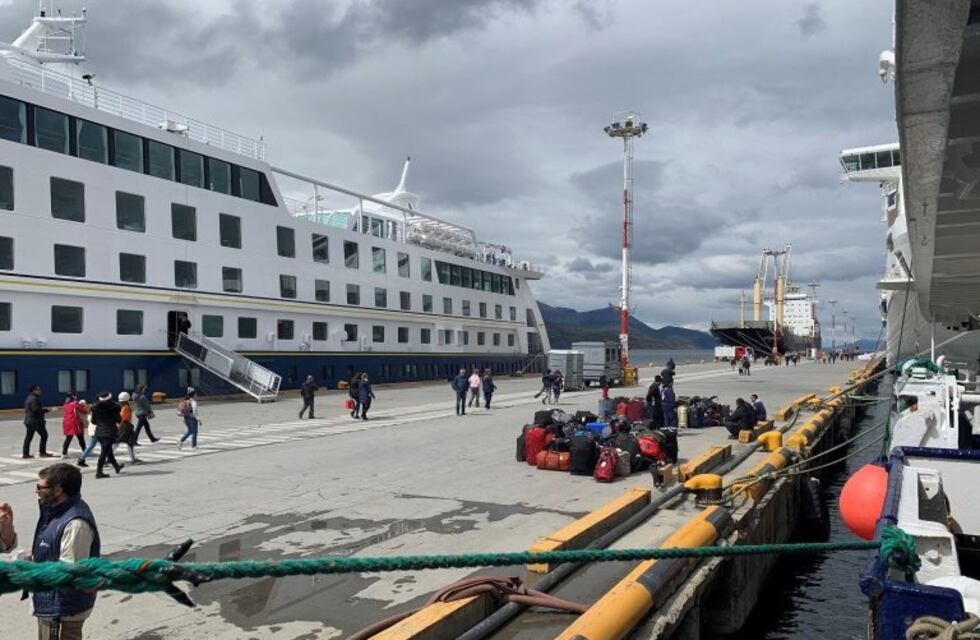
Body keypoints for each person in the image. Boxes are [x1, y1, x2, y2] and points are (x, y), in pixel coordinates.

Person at [0, 464, 101, 639]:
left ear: (58, 490)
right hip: (51, 602)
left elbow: (69, 573)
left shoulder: (75, 525)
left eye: (40, 487)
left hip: (63, 610)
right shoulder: (53, 512)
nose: (36, 491)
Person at [90, 392, 123, 479]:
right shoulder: (113, 408)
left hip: (99, 432)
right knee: (104, 453)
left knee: (109, 451)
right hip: (109, 432)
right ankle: (99, 472)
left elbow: (93, 421)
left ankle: (116, 466)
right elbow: (118, 420)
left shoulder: (95, 408)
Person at [23, 384, 53, 460]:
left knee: (28, 437)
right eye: (38, 390)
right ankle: (42, 452)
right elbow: (36, 410)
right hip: (35, 421)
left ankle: (25, 453)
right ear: (34, 391)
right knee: (44, 435)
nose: (40, 391)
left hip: (28, 421)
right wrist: (47, 410)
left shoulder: (28, 398)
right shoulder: (34, 399)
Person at [116, 392, 142, 465]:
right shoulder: (126, 408)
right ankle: (107, 459)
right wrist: (118, 427)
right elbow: (122, 419)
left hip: (126, 427)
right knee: (117, 443)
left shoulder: (124, 407)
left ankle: (133, 459)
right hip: (125, 427)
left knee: (129, 443)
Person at [61, 393, 87, 458]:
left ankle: (64, 453)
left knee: (68, 438)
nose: (76, 397)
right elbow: (84, 411)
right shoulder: (75, 403)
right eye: (75, 396)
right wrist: (83, 405)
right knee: (81, 437)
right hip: (74, 423)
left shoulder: (65, 404)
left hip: (67, 422)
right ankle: (85, 451)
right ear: (73, 396)